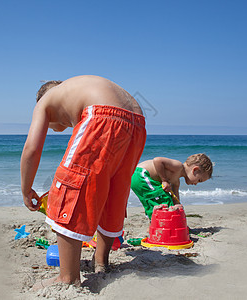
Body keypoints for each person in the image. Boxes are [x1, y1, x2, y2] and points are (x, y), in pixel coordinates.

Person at [20, 75, 146, 288]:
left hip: (104, 115)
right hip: (137, 122)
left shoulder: (45, 100)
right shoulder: (74, 90)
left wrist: (26, 188)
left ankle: (67, 277)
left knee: (69, 187)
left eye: (52, 127)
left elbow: (32, 149)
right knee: (110, 191)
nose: (56, 129)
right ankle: (101, 261)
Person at [131, 154, 213, 219]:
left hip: (141, 178)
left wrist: (178, 206)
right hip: (140, 174)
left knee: (163, 201)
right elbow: (157, 160)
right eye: (199, 180)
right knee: (161, 198)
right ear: (195, 170)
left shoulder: (176, 181)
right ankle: (155, 221)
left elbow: (175, 197)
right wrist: (164, 180)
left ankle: (159, 222)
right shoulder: (178, 166)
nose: (196, 184)